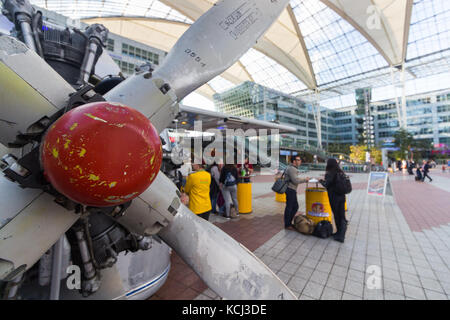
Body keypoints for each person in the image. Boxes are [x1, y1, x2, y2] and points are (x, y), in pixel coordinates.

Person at [319, 158, 347, 243]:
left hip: (334, 197)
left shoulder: (330, 173)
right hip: (342, 196)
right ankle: (339, 233)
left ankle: (340, 236)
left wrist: (320, 181)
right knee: (341, 215)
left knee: (337, 216)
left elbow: (326, 184)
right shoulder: (341, 172)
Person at [284, 156, 309, 229]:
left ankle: (288, 222)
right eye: (298, 160)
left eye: (300, 160)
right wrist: (305, 179)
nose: (300, 161)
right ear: (294, 161)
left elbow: (294, 179)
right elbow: (295, 180)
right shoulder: (292, 169)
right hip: (290, 189)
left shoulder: (291, 167)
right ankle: (287, 224)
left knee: (293, 207)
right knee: (291, 207)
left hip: (290, 189)